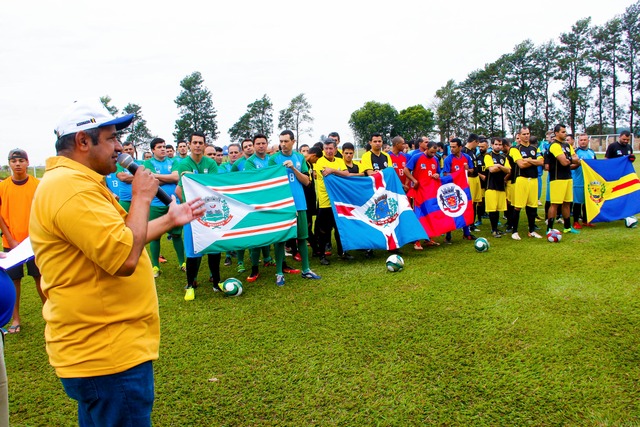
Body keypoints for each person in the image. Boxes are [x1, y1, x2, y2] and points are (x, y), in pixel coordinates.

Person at [29, 99, 205, 426]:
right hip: (106, 354)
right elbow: (124, 256)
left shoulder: (77, 183)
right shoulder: (70, 188)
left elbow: (123, 238)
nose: (119, 147)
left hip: (106, 350)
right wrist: (141, 196)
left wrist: (169, 219)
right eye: (110, 138)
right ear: (83, 141)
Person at [0, 149, 45, 334]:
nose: (17, 164)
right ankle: (16, 318)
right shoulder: (3, 187)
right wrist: (10, 238)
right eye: (14, 160)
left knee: (41, 279)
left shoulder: (37, 184)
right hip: (11, 244)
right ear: (9, 164)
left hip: (34, 242)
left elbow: (43, 211)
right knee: (13, 282)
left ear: (27, 163)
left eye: (21, 160)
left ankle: (48, 315)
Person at [172, 131, 221, 301]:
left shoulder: (211, 163)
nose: (198, 145)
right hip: (192, 215)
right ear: (190, 144)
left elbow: (213, 185)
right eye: (195, 142)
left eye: (201, 142)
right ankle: (190, 285)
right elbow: (181, 188)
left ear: (205, 144)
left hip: (210, 213)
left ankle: (216, 283)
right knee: (193, 251)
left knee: (214, 248)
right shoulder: (184, 163)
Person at [269, 130, 321, 285]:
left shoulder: (299, 158)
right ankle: (279, 273)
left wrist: (293, 168)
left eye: (286, 141)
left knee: (302, 237)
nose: (283, 144)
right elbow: (270, 182)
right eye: (281, 141)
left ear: (293, 141)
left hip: (299, 203)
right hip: (282, 205)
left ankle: (306, 270)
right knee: (280, 239)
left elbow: (306, 181)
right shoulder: (274, 159)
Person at [143, 138, 186, 277]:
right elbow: (150, 182)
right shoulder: (148, 162)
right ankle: (155, 266)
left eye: (164, 146)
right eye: (159, 147)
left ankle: (182, 263)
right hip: (155, 204)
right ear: (153, 150)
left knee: (176, 235)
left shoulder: (173, 161)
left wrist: (155, 177)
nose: (163, 149)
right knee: (155, 236)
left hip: (173, 203)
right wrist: (166, 178)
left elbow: (175, 178)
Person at [243, 134, 278, 281]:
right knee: (256, 237)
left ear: (267, 144)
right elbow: (253, 181)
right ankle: (254, 269)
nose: (261, 146)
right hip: (256, 204)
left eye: (264, 143)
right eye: (258, 143)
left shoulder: (272, 160)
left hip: (272, 202)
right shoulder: (250, 162)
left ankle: (279, 264)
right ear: (254, 145)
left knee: (277, 234)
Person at [314, 138, 351, 265]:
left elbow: (346, 174)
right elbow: (326, 174)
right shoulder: (320, 161)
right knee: (324, 231)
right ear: (323, 150)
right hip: (325, 202)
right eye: (326, 149)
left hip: (339, 201)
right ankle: (322, 255)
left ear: (336, 149)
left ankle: (342, 252)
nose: (329, 151)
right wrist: (335, 172)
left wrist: (334, 170)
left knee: (340, 228)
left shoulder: (340, 160)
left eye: (331, 148)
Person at [403, 141, 442, 248]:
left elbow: (439, 173)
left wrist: (437, 175)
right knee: (419, 216)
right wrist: (414, 180)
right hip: (419, 192)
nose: (433, 154)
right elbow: (406, 170)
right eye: (431, 152)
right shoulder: (417, 157)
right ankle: (416, 241)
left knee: (430, 215)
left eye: (435, 152)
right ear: (426, 148)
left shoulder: (435, 160)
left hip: (430, 192)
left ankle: (429, 239)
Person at [508, 127, 544, 240]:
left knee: (532, 206)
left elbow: (541, 162)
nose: (526, 136)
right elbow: (521, 165)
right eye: (524, 134)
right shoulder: (515, 149)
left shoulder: (535, 148)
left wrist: (528, 160)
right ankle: (514, 231)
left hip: (533, 179)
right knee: (518, 206)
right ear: (519, 135)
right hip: (521, 179)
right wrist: (534, 161)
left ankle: (532, 230)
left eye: (528, 133)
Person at [546, 124, 580, 234]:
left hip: (568, 177)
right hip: (557, 178)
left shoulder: (567, 145)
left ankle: (567, 227)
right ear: (556, 133)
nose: (565, 134)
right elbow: (564, 162)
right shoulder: (554, 145)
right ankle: (549, 228)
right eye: (563, 132)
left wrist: (569, 158)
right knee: (555, 204)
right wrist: (570, 159)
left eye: (565, 132)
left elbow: (577, 159)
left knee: (567, 203)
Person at [442, 138, 475, 242]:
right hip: (452, 189)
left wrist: (466, 170)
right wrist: (459, 173)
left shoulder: (466, 157)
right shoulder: (448, 159)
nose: (451, 149)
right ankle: (448, 235)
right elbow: (446, 174)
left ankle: (466, 233)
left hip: (464, 187)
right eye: (450, 147)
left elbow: (472, 170)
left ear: (460, 147)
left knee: (465, 208)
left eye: (454, 147)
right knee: (451, 209)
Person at [605, 130, 637, 228]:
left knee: (625, 195)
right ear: (620, 137)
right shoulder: (612, 146)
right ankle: (611, 214)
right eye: (624, 139)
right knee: (613, 195)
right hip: (614, 176)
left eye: (627, 139)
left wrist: (632, 159)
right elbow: (606, 160)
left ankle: (624, 214)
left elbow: (629, 161)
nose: (626, 141)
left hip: (625, 177)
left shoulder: (629, 147)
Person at [484, 138, 511, 238]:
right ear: (492, 145)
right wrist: (501, 168)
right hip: (490, 186)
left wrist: (499, 165)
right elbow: (491, 169)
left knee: (498, 208)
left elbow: (508, 170)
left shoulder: (503, 157)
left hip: (501, 186)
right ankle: (493, 229)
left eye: (500, 144)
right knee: (492, 209)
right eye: (496, 144)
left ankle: (496, 228)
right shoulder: (488, 156)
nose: (498, 146)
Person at [572, 133, 596, 228]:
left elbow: (596, 165)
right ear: (578, 141)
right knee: (577, 202)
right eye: (581, 140)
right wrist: (579, 164)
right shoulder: (575, 152)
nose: (583, 142)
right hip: (578, 181)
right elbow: (570, 166)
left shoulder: (591, 152)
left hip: (589, 182)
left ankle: (586, 220)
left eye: (585, 140)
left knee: (588, 202)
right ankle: (576, 221)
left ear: (588, 141)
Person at [115, 141, 138, 211]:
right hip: (125, 200)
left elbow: (149, 176)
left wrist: (129, 177)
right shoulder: (119, 165)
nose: (128, 151)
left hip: (139, 200)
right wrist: (140, 176)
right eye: (126, 149)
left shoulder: (142, 163)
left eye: (130, 149)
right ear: (122, 151)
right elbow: (122, 178)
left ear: (134, 150)